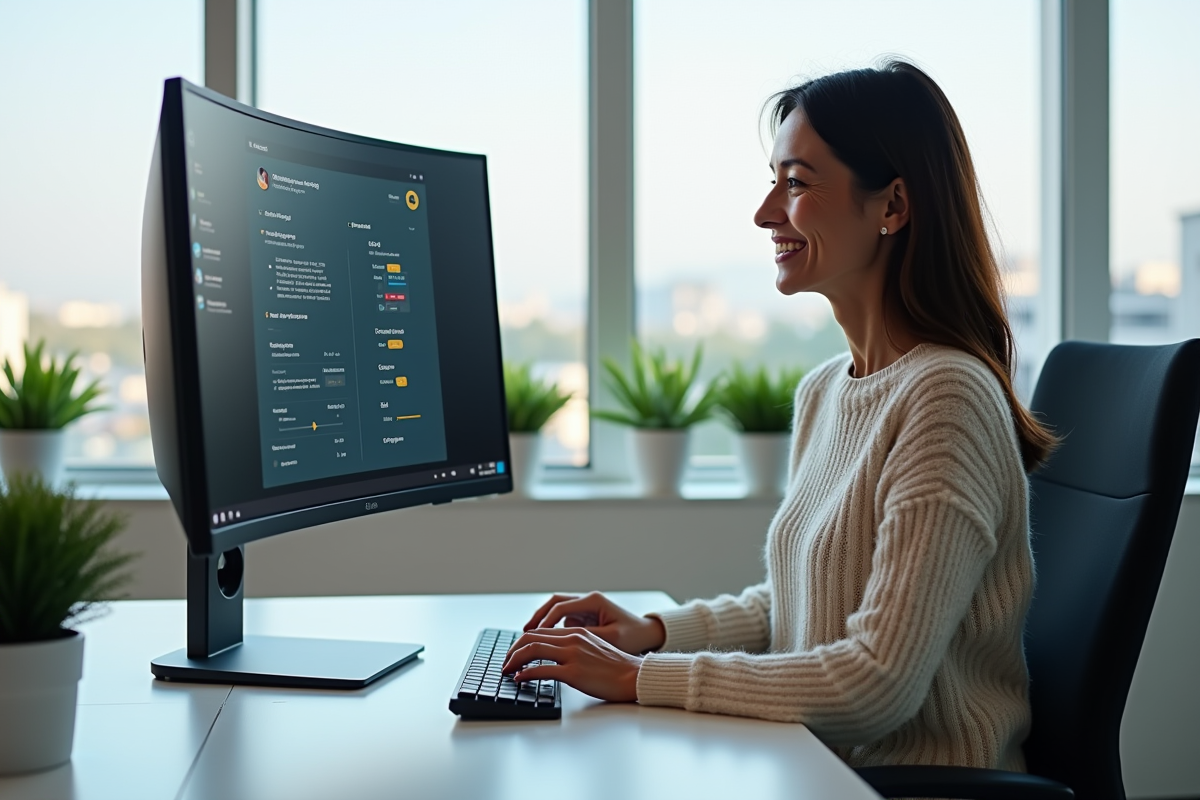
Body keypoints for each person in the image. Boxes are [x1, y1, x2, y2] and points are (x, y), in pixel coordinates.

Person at [501, 59, 1057, 772]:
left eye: (795, 184)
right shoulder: (827, 390)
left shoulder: (947, 399)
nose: (765, 213)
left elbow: (876, 683)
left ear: (892, 206)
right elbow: (797, 607)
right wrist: (654, 633)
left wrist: (639, 678)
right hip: (820, 768)